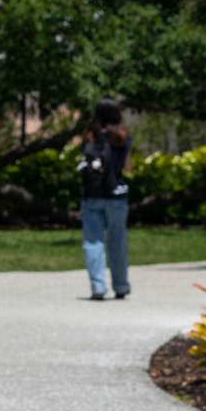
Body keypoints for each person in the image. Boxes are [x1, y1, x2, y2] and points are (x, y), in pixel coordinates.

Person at [78, 97, 132, 301]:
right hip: (117, 196)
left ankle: (98, 286)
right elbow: (128, 168)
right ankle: (121, 285)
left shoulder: (89, 136)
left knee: (93, 240)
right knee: (117, 241)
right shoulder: (122, 138)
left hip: (92, 195)